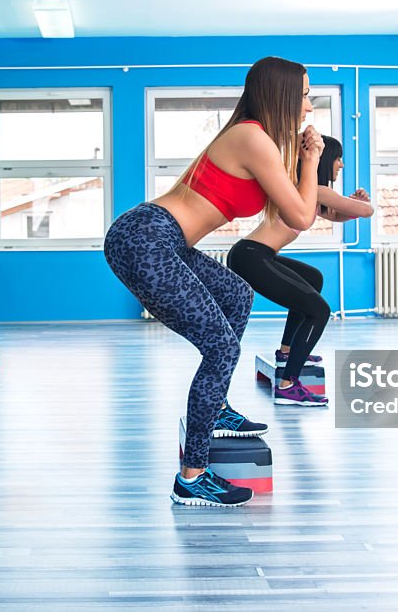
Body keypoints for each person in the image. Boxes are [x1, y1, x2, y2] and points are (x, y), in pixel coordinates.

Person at [104, 56, 323, 507]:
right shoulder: (251, 137)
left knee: (237, 294)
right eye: (303, 95)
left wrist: (308, 166)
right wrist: (313, 158)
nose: (309, 104)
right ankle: (192, 477)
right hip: (147, 237)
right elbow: (301, 215)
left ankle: (216, 404)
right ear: (282, 96)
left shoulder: (255, 140)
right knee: (221, 347)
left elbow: (297, 209)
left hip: (164, 240)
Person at [227, 136, 372, 406]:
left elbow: (337, 214)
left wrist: (351, 205)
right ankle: (288, 384)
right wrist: (360, 203)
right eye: (338, 158)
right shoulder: (316, 190)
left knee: (312, 278)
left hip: (254, 254)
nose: (340, 164)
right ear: (325, 160)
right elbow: (367, 211)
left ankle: (287, 351)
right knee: (319, 310)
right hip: (252, 257)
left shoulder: (309, 193)